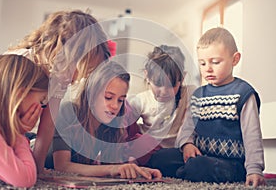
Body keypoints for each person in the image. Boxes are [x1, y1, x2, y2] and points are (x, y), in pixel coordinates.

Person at [6, 9, 111, 174]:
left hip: (14, 136)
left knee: (27, 169)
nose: (78, 79)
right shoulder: (21, 63)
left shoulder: (58, 79)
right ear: (60, 51)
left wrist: (38, 168)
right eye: (79, 68)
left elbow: (48, 125)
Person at [176, 27, 265, 187]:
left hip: (230, 164)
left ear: (235, 59)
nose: (207, 68)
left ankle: (186, 171)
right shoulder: (198, 95)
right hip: (202, 154)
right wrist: (187, 144)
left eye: (215, 62)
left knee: (199, 166)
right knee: (160, 158)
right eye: (202, 63)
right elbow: (187, 127)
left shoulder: (243, 93)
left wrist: (254, 169)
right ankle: (187, 169)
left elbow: (252, 135)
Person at [52, 60, 162, 179]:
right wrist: (112, 169)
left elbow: (114, 165)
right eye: (108, 97)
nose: (115, 106)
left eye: (120, 100)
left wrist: (137, 170)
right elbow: (62, 166)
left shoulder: (112, 125)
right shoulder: (69, 110)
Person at [0, 54, 49, 187]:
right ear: (20, 94)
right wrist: (18, 135)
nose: (41, 108)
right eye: (41, 101)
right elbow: (26, 178)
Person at [126, 45, 195, 177]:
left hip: (176, 151)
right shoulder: (141, 100)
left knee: (187, 158)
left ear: (182, 78)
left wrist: (188, 144)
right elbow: (124, 127)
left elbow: (192, 125)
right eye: (158, 84)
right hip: (149, 152)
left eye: (171, 85)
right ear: (147, 75)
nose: (164, 92)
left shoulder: (189, 93)